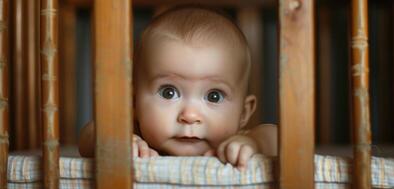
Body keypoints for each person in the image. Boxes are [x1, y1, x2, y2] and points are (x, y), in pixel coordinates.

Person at [79, 6, 277, 170]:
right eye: (169, 92)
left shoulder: (237, 143)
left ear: (243, 112)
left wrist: (255, 144)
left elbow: (275, 137)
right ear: (134, 102)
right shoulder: (135, 138)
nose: (189, 116)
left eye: (214, 96)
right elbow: (88, 136)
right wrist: (114, 141)